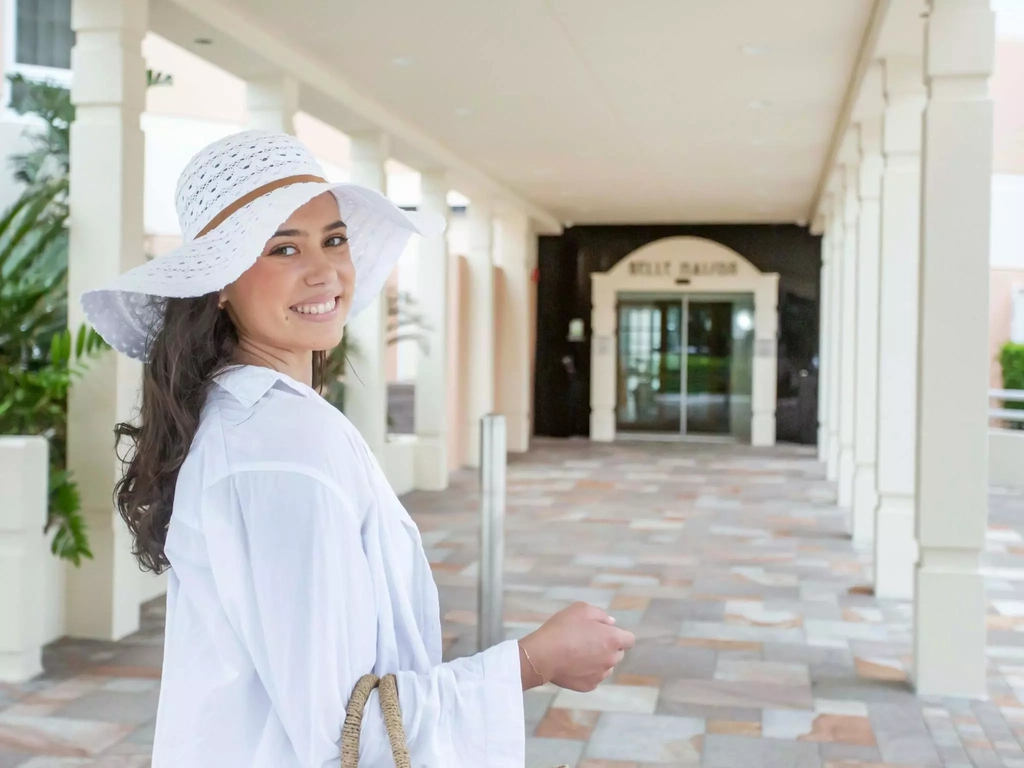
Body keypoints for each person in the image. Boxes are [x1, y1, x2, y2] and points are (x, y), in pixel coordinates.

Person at [81, 130, 635, 768]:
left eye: (334, 239)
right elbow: (342, 730)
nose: (325, 271)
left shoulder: (253, 420)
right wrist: (535, 660)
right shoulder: (280, 443)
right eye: (283, 247)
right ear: (219, 284)